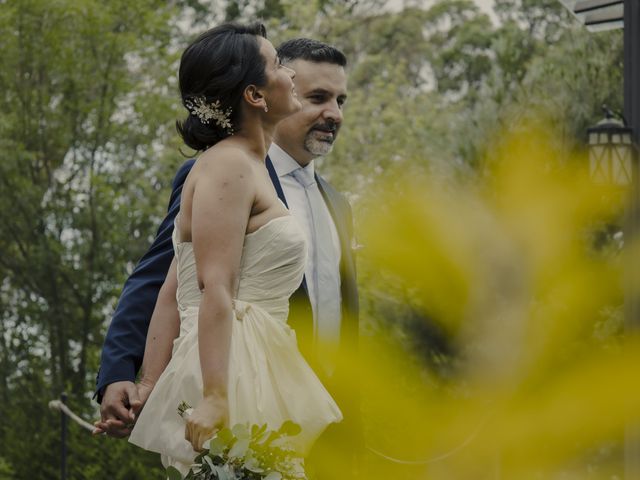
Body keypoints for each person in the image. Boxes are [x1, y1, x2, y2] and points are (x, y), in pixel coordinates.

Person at [94, 31, 360, 475]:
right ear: (254, 94)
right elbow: (171, 283)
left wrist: (150, 386)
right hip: (240, 378)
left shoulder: (337, 203)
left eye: (340, 100)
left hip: (304, 397)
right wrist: (132, 375)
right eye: (318, 96)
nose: (332, 112)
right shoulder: (227, 167)